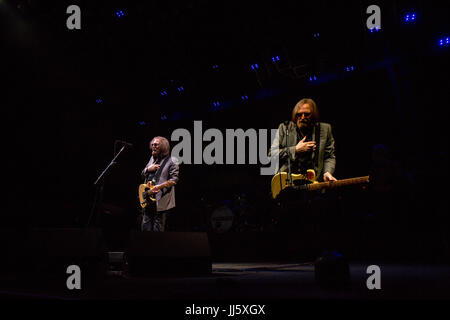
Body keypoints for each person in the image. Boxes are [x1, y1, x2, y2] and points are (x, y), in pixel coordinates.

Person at [270, 98, 337, 182]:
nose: (302, 117)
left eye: (307, 114)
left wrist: (327, 172)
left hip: (314, 182)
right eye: (299, 114)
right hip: (287, 183)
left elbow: (329, 156)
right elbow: (271, 155)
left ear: (313, 114)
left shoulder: (325, 129)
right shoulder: (284, 128)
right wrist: (295, 150)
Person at [140, 136, 179, 231]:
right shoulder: (152, 159)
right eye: (152, 144)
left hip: (161, 199)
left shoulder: (172, 160)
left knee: (158, 228)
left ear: (163, 146)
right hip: (148, 199)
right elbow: (142, 174)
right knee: (145, 226)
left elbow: (174, 180)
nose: (153, 146)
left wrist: (160, 187)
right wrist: (148, 169)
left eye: (156, 144)